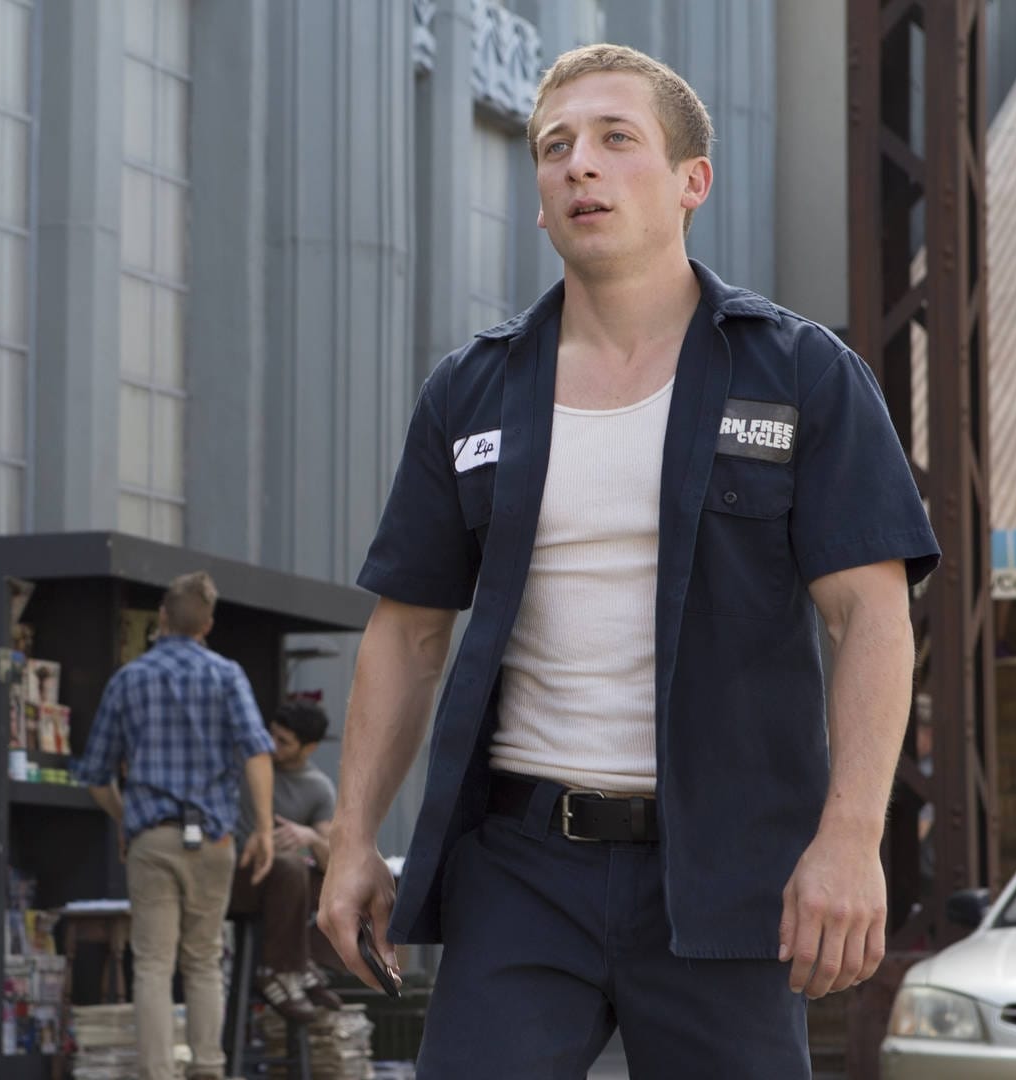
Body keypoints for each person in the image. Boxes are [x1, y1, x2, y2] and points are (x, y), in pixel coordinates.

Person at [317, 44, 941, 1078]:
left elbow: (869, 618)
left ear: (694, 181)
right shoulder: (469, 392)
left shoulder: (801, 375)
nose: (580, 165)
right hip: (520, 869)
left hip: (730, 866)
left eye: (616, 139)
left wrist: (850, 838)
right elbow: (408, 632)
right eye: (554, 147)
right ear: (539, 202)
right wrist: (351, 838)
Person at [75, 571, 277, 1080]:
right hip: (213, 837)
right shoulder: (227, 675)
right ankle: (209, 1067)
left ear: (162, 616)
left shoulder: (129, 678)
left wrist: (127, 819)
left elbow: (96, 775)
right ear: (207, 624)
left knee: (152, 965)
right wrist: (264, 828)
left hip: (152, 838)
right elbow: (256, 753)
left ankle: (158, 1072)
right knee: (204, 960)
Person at [229, 700, 345, 1022]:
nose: (272, 744)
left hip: (277, 889)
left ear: (309, 748)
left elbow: (333, 861)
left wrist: (310, 837)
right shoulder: (246, 761)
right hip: (232, 876)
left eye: (284, 741)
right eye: (272, 734)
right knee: (291, 866)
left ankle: (302, 964)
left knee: (331, 880)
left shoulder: (317, 788)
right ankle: (283, 970)